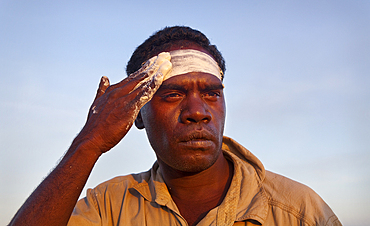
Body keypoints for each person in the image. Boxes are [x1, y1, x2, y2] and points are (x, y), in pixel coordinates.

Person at [9, 26, 342, 226]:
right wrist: (89, 143)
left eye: (211, 93)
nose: (197, 111)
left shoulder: (299, 211)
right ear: (137, 114)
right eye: (172, 94)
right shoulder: (109, 206)